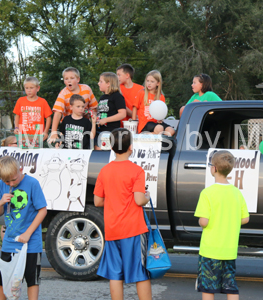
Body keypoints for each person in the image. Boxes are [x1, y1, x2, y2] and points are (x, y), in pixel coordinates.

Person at [94, 128, 152, 300]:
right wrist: (147, 196)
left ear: (111, 147)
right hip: (133, 228)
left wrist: (113, 200)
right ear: (131, 147)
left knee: (115, 273)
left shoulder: (105, 170)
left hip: (112, 229)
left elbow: (97, 201)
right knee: (140, 272)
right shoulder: (137, 171)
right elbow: (139, 200)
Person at [194, 150, 249, 299]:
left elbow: (204, 222)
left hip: (210, 250)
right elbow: (245, 219)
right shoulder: (237, 192)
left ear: (214, 168)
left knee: (208, 288)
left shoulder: (207, 193)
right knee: (230, 287)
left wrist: (200, 221)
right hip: (229, 250)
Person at [0, 156, 47, 300]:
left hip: (31, 243)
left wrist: (28, 233)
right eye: (7, 181)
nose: (11, 183)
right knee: (4, 280)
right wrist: (0, 204)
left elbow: (43, 210)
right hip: (10, 242)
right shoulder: (2, 185)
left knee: (32, 280)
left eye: (14, 179)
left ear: (21, 170)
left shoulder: (32, 183)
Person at [49, 67, 98, 142]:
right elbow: (58, 113)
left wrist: (93, 118)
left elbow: (94, 107)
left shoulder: (86, 89)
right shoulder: (63, 93)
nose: (69, 81)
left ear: (78, 79)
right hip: (69, 126)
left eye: (72, 78)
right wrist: (53, 132)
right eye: (66, 79)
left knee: (86, 144)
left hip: (84, 124)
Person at [132, 70, 175, 136]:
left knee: (171, 131)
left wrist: (160, 119)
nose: (149, 83)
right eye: (147, 81)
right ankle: (143, 135)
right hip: (145, 123)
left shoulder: (161, 96)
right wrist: (133, 122)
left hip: (156, 123)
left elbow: (161, 112)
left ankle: (152, 136)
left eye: (152, 81)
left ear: (158, 83)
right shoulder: (142, 93)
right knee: (159, 129)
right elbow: (135, 107)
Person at [13, 77, 52, 146]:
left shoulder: (42, 102)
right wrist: (16, 128)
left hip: (37, 136)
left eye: (31, 88)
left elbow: (48, 117)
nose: (29, 90)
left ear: (38, 88)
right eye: (26, 88)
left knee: (37, 153)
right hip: (23, 135)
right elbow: (17, 115)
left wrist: (45, 132)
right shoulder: (20, 101)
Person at [95, 72, 127, 149]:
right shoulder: (102, 97)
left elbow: (122, 114)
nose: (98, 83)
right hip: (99, 131)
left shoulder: (117, 96)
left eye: (101, 81)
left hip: (111, 132)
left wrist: (106, 120)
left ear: (108, 83)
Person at [0, 135, 19, 240]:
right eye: (17, 143)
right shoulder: (5, 158)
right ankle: (5, 245)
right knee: (5, 222)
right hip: (7, 194)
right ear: (10, 145)